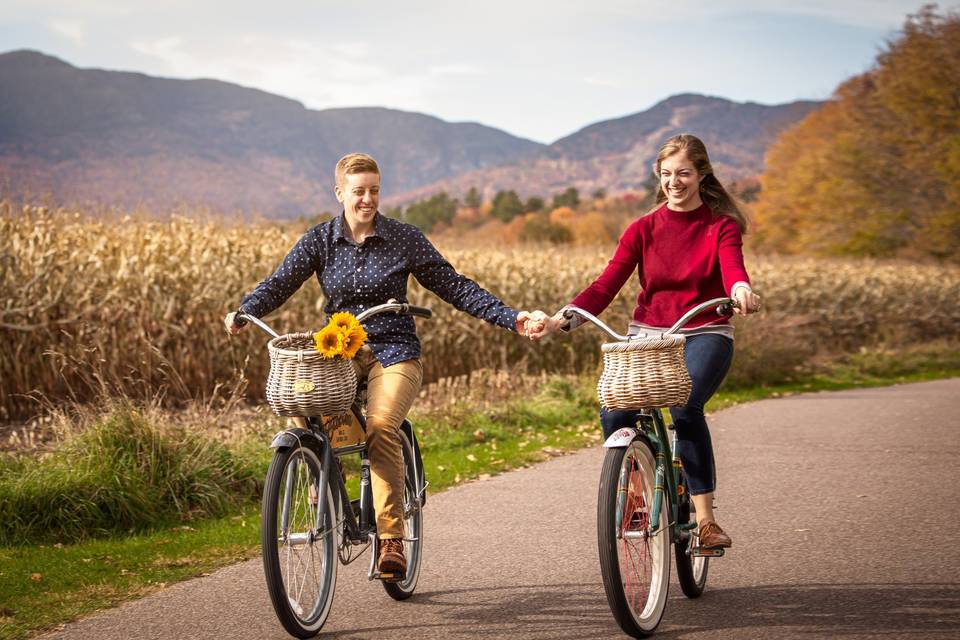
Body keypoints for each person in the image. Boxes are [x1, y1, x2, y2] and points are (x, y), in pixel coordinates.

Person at [224, 153, 542, 575]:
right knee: (300, 399)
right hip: (339, 352)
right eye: (359, 191)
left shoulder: (403, 238)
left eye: (374, 190)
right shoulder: (319, 241)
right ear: (339, 193)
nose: (368, 199)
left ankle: (391, 539)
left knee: (380, 427)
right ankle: (323, 472)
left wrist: (511, 317)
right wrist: (246, 311)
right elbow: (281, 282)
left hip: (394, 351)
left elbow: (455, 286)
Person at [528, 134, 762, 549]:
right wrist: (560, 320)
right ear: (659, 175)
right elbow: (605, 285)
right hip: (649, 335)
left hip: (704, 330)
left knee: (685, 405)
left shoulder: (719, 225)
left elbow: (732, 268)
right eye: (667, 174)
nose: (675, 182)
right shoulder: (643, 228)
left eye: (684, 173)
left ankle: (706, 520)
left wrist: (741, 289)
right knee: (615, 406)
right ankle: (636, 494)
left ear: (702, 174)